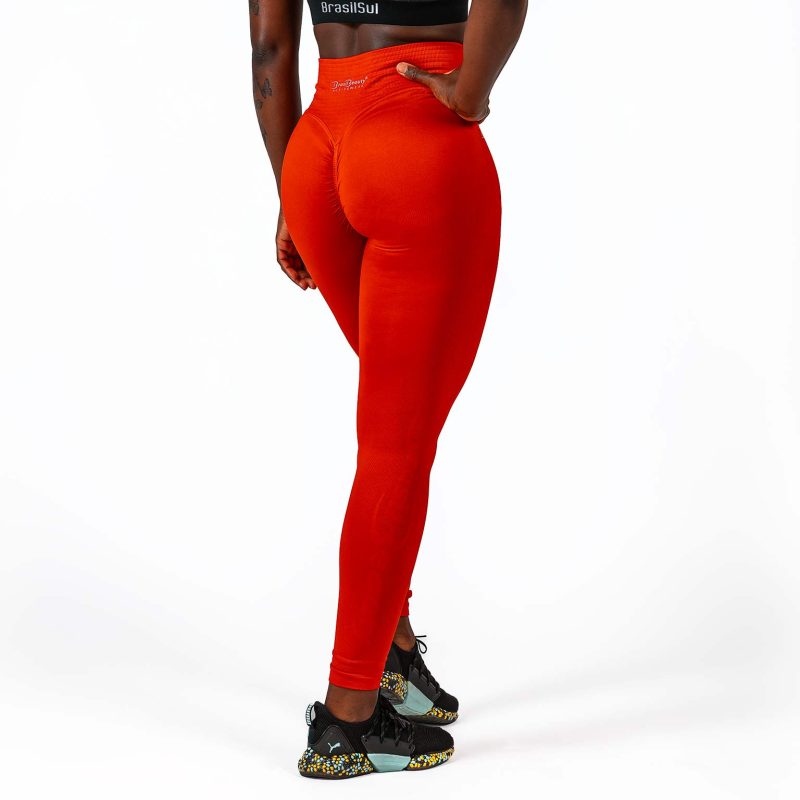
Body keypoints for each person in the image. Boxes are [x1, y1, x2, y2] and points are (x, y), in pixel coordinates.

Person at [249, 0, 527, 779]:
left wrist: (292, 194)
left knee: (397, 419)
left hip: (317, 148)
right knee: (397, 444)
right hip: (415, 141)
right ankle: (348, 718)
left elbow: (269, 54)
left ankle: (393, 651)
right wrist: (469, 95)